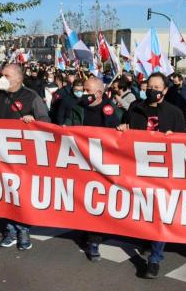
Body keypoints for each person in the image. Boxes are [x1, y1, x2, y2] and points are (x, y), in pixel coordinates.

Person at [117, 73, 186, 278]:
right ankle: (147, 241)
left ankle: (155, 259)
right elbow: (124, 132)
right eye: (150, 86)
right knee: (143, 210)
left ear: (165, 90)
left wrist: (176, 138)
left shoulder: (174, 112)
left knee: (159, 213)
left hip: (163, 172)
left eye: (158, 87)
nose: (153, 90)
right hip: (138, 169)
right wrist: (122, 129)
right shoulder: (135, 108)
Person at [0, 64, 50, 250]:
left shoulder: (31, 97)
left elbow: (46, 121)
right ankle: (9, 229)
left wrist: (34, 122)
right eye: (2, 75)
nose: (1, 78)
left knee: (21, 193)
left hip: (24, 156)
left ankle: (23, 229)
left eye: (6, 75)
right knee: (6, 193)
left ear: (18, 78)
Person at [65, 77, 122, 261]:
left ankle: (94, 240)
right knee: (82, 198)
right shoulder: (77, 107)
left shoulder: (112, 111)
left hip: (103, 164)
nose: (84, 93)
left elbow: (120, 136)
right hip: (81, 161)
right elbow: (67, 124)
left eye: (88, 91)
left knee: (97, 200)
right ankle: (85, 230)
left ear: (99, 93)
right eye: (83, 89)